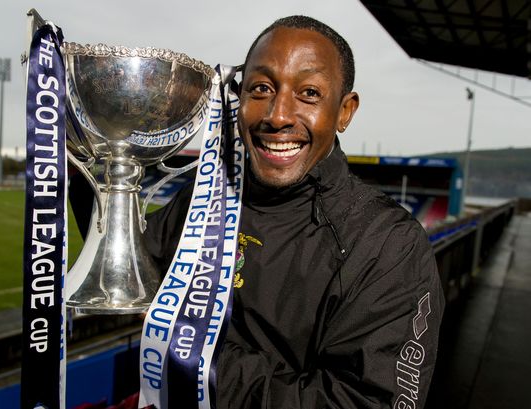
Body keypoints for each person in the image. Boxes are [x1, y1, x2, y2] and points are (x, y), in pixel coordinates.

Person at [141, 15, 445, 409]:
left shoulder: (389, 246)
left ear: (344, 111)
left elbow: (363, 401)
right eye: (262, 88)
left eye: (309, 93)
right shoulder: (198, 201)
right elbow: (133, 274)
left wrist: (199, 359)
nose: (278, 115)